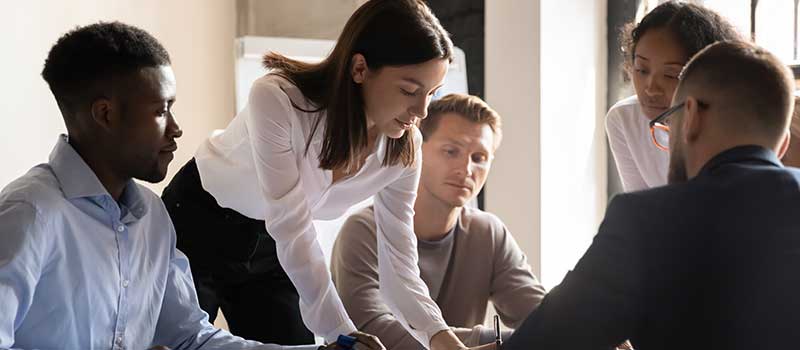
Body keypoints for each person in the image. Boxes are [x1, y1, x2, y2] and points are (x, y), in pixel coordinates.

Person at [161, 1, 488, 349]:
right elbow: (291, 224)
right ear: (360, 68)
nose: (421, 111)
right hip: (199, 222)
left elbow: (399, 265)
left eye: (431, 93)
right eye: (409, 90)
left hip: (272, 248)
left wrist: (441, 337)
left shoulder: (403, 152)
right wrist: (343, 336)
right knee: (179, 343)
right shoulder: (278, 98)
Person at [0, 21, 334, 350]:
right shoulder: (29, 213)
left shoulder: (153, 218)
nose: (176, 128)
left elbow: (191, 338)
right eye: (162, 110)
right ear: (105, 114)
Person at [505, 40, 800, 349]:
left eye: (667, 121)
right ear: (781, 145)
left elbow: (545, 342)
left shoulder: (645, 221)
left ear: (690, 116)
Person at [330, 94, 546, 348]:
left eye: (479, 158)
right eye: (451, 151)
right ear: (417, 148)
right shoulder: (363, 230)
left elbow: (542, 317)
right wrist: (501, 343)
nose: (466, 169)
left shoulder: (488, 232)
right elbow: (371, 328)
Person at [606, 1, 741, 191]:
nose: (651, 89)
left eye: (670, 75)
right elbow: (643, 209)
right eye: (642, 70)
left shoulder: (736, 125)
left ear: (708, 74)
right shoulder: (624, 119)